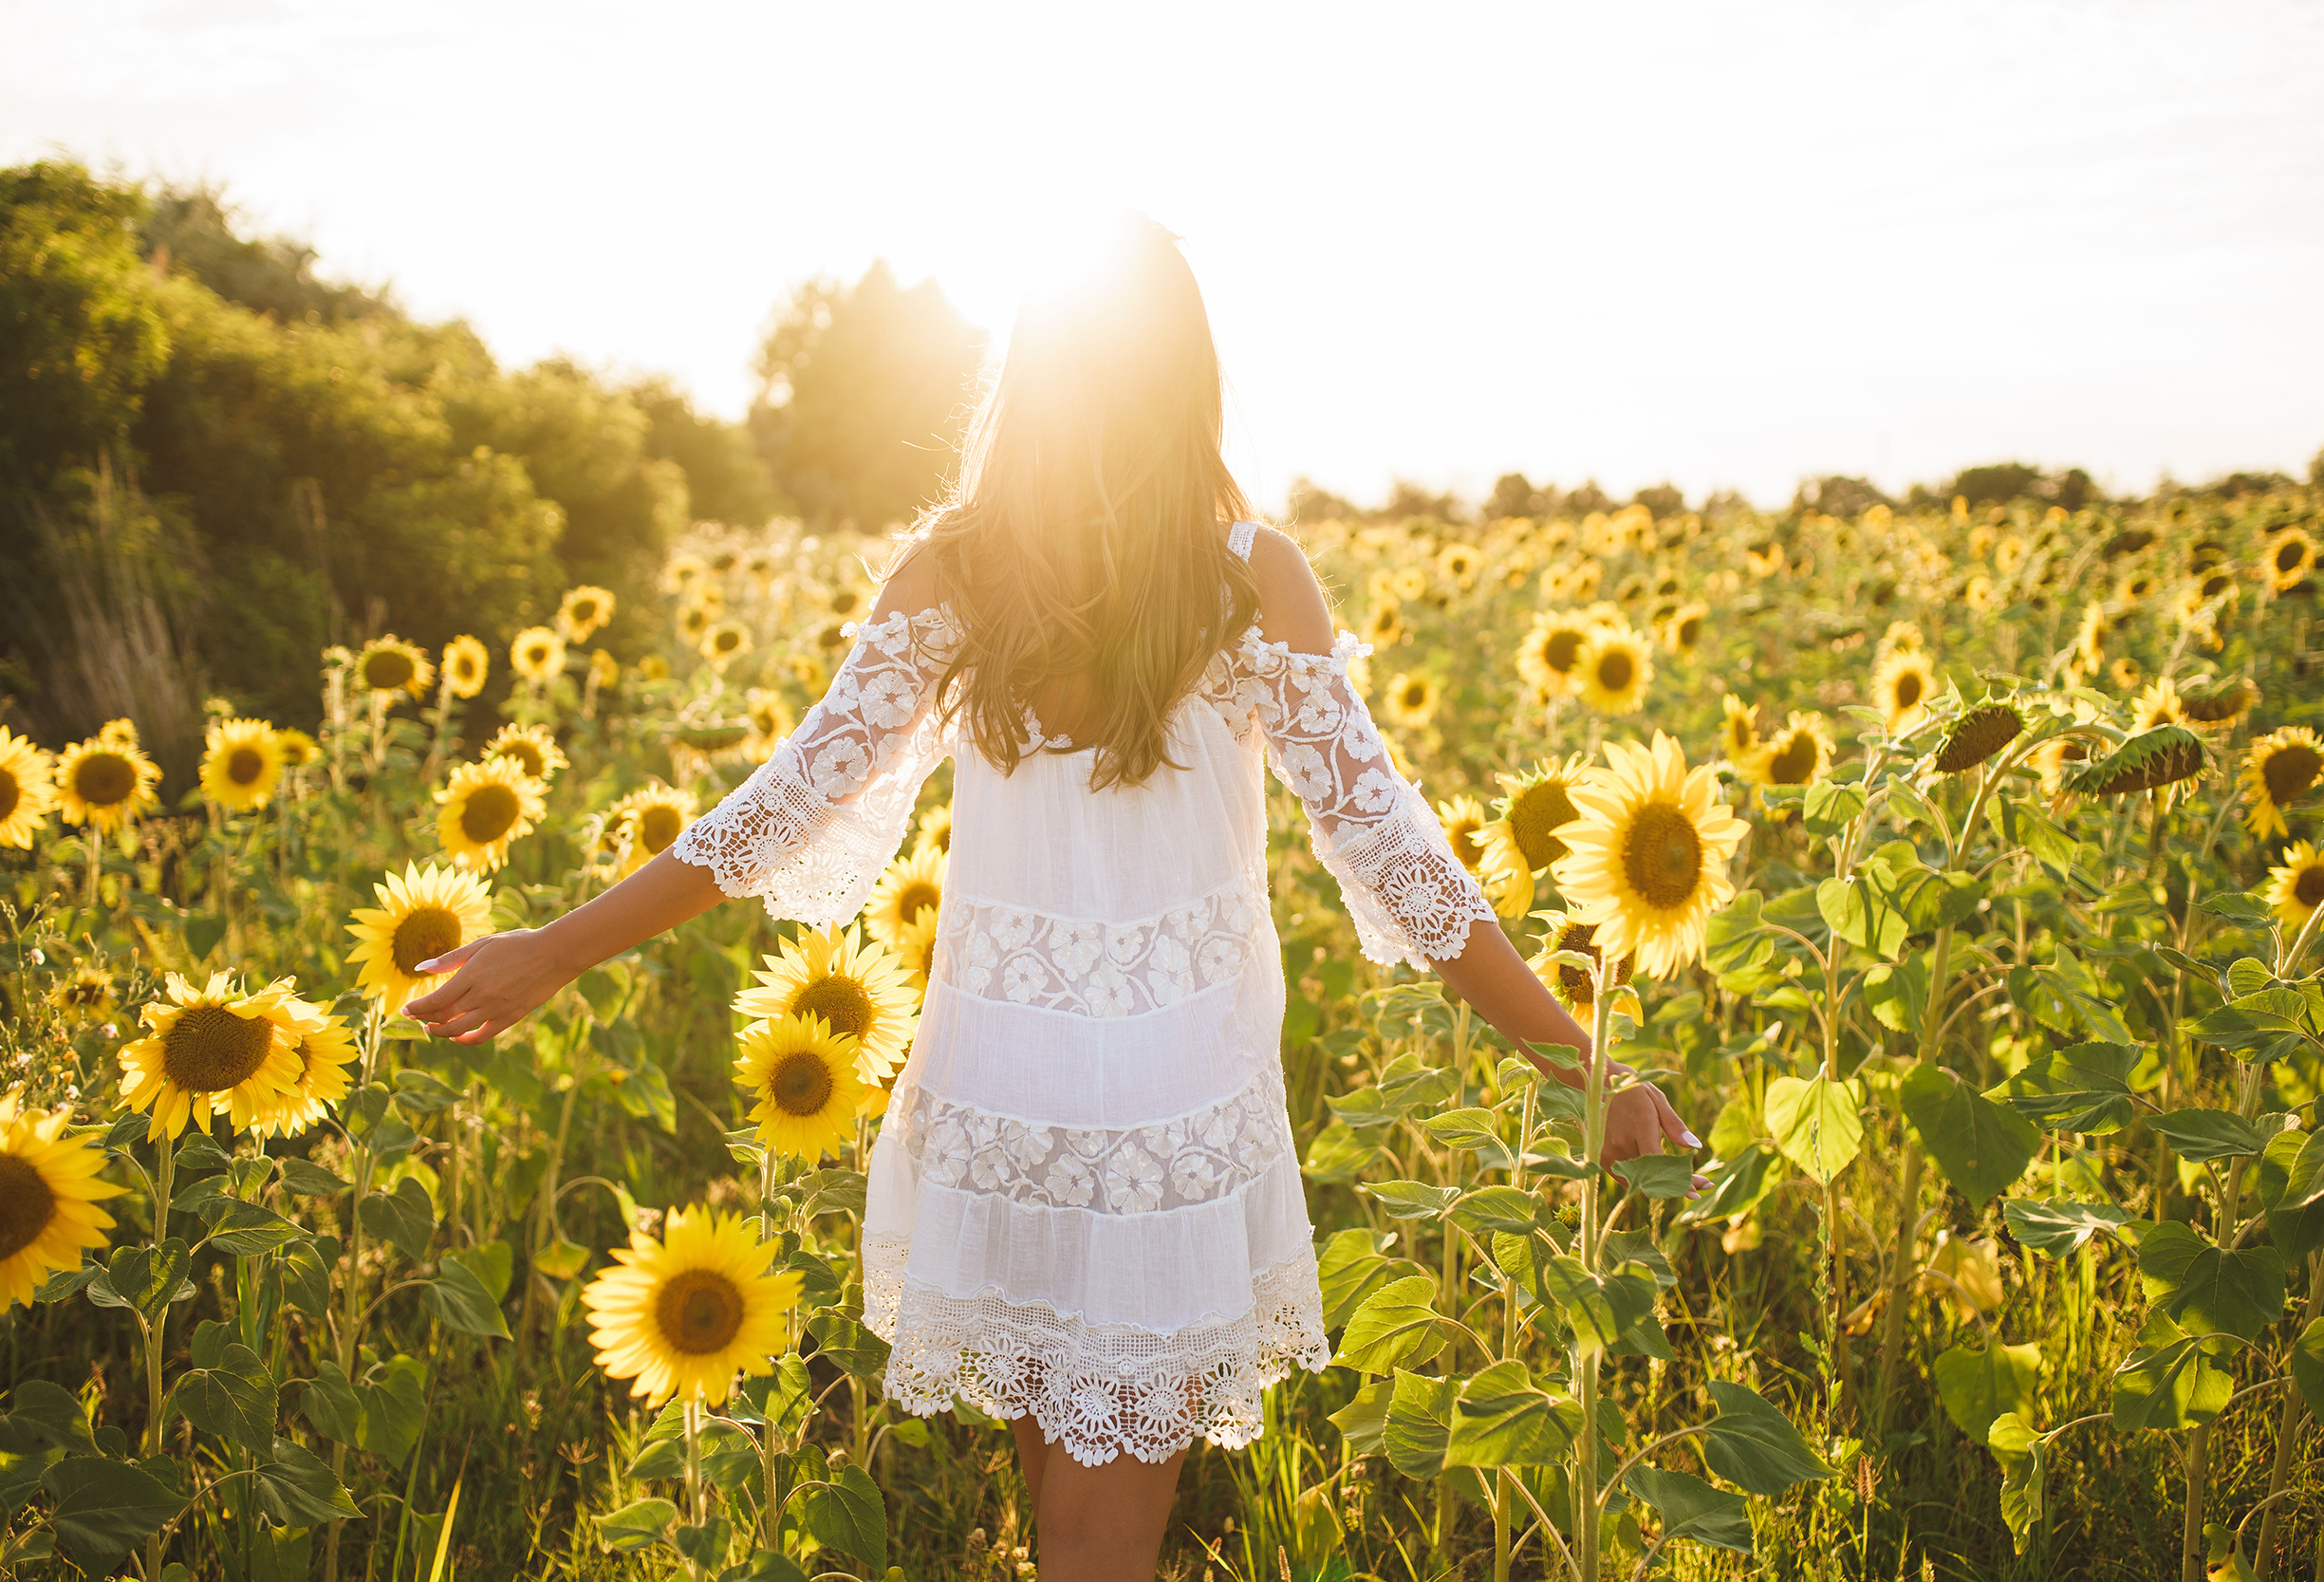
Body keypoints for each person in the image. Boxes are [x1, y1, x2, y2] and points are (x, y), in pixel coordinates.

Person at [407, 212, 1698, 1581]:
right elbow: (1396, 854)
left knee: (1062, 1524)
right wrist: (1583, 1059)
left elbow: (784, 804)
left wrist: (562, 946)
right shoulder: (1246, 579)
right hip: (1171, 1119)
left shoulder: (956, 570)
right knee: (1096, 1542)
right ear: (1189, 376)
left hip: (997, 1099)